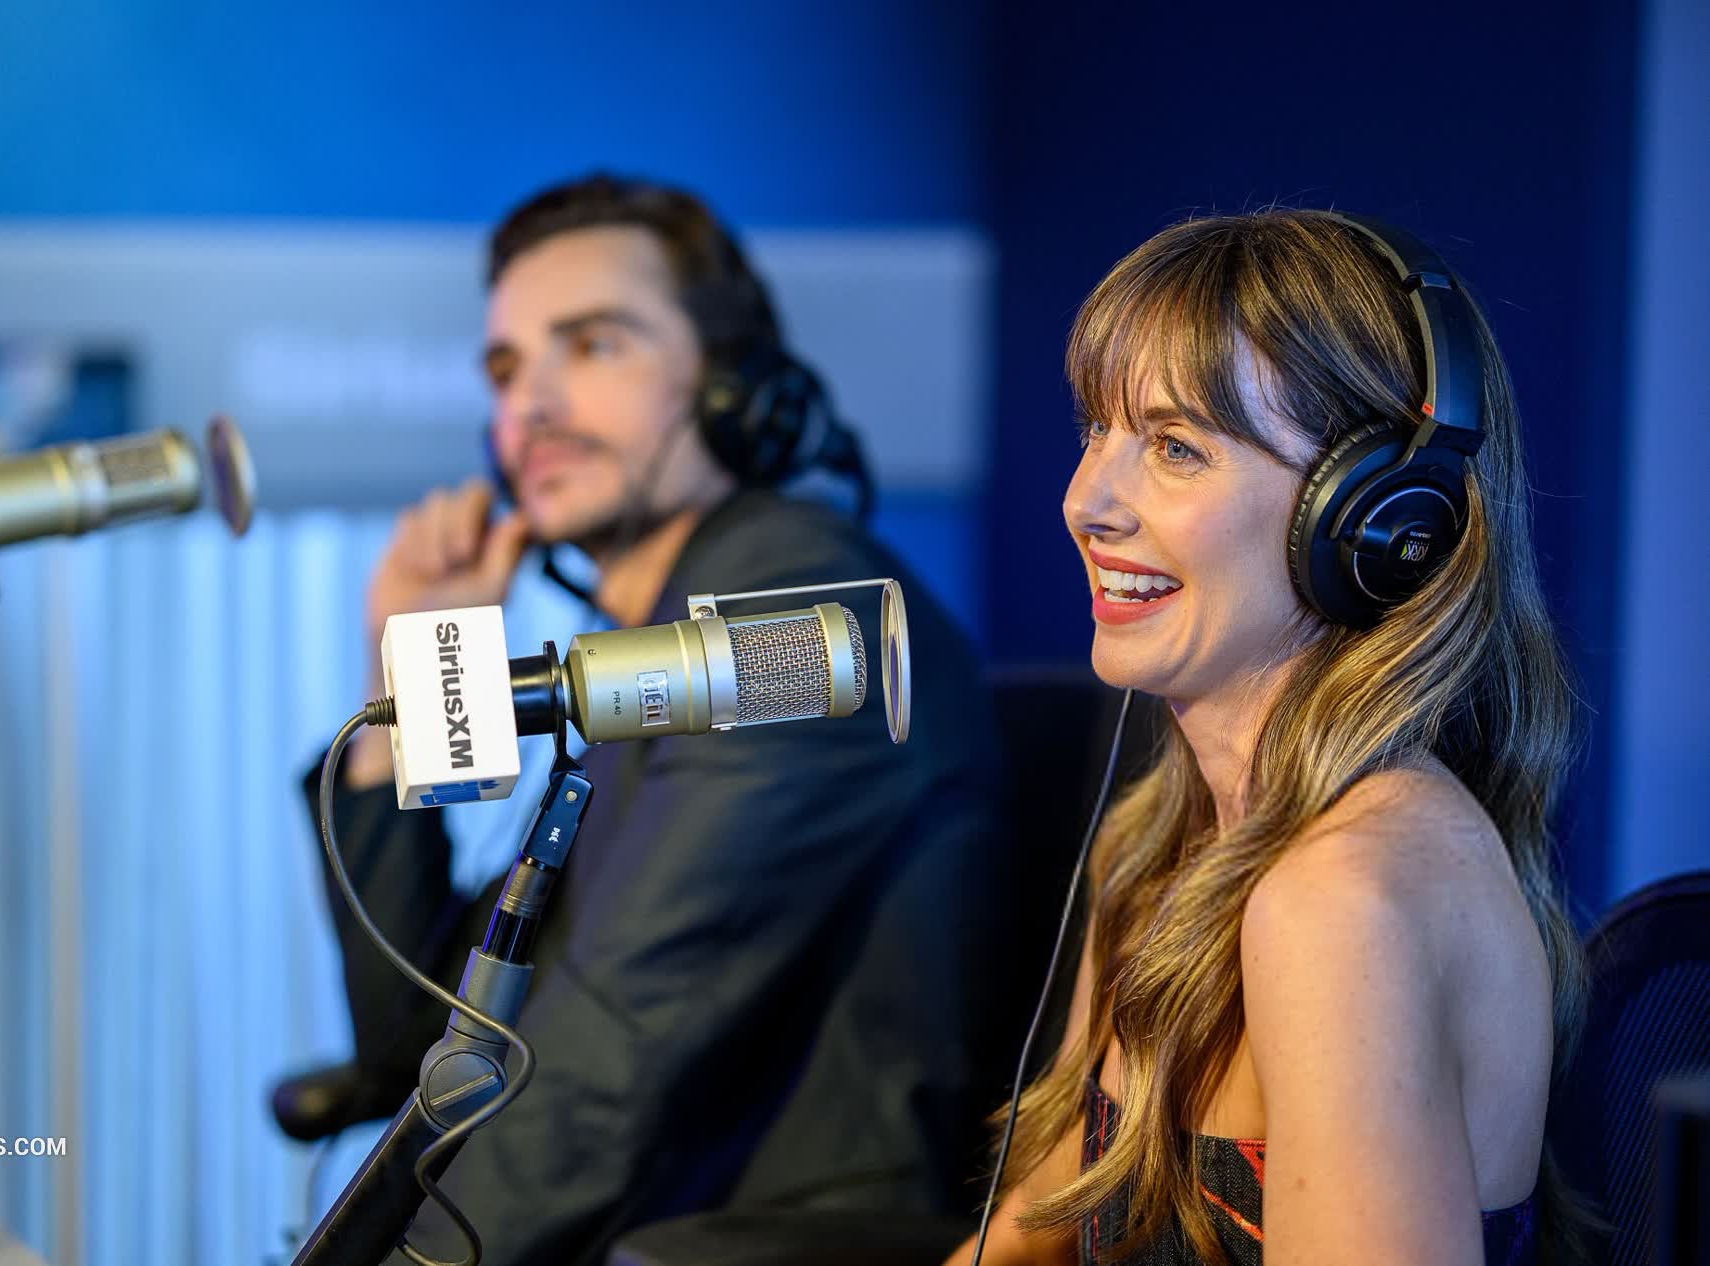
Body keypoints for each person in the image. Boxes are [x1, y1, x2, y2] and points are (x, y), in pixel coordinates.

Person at [298, 174, 1010, 1265]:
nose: (531, 406)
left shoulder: (784, 617)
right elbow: (418, 1044)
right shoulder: (643, 658)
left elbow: (602, 1072)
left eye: (593, 345)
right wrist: (412, 675)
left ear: (728, 387)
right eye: (505, 369)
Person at [950, 209, 1587, 1266]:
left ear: (1375, 521)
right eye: (1095, 431)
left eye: (1176, 448)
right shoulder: (1158, 847)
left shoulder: (1340, 902)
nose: (1085, 503)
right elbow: (1038, 1228)